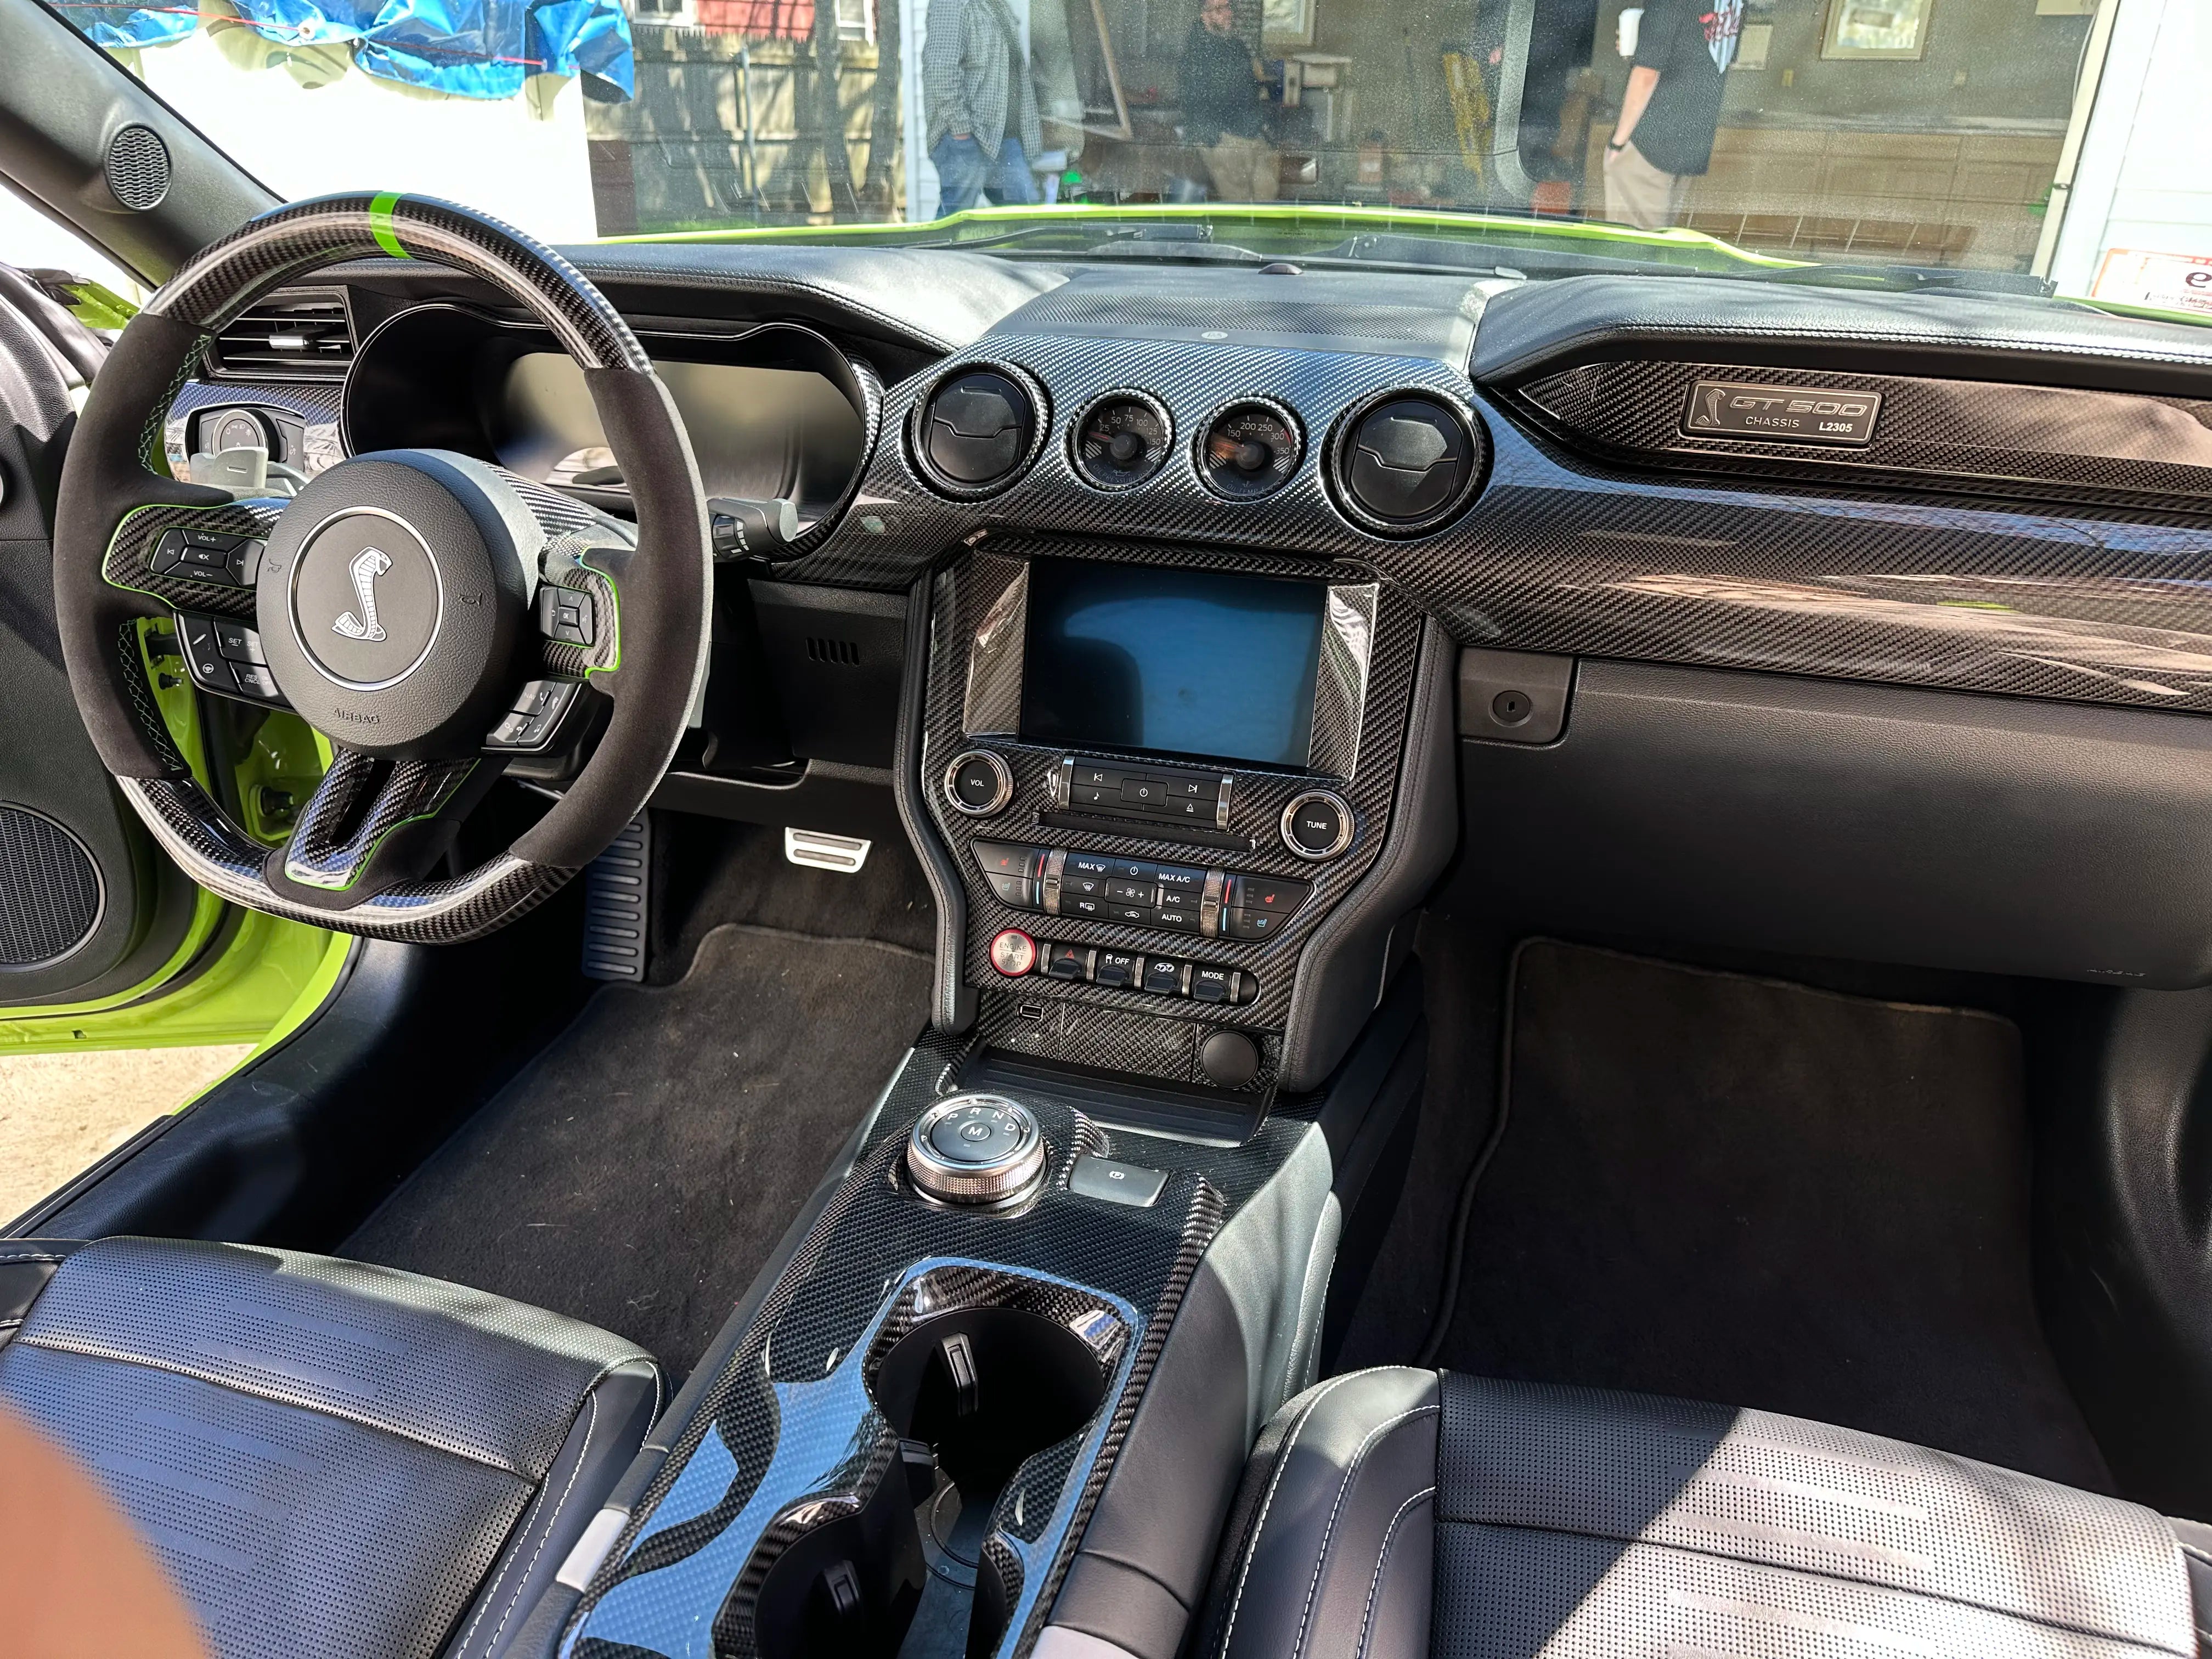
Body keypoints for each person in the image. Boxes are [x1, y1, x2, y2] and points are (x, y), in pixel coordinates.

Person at [1602, 0, 1742, 229]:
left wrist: (1618, 143)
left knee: (1634, 252)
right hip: (1692, 141)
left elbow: (1647, 73)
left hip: (1650, 143)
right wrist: (1643, 43)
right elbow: (1705, 54)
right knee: (1662, 242)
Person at [924, 0, 1043, 213]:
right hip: (969, 138)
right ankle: (937, 250)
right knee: (955, 222)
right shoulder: (951, 4)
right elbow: (940, 71)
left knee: (1027, 219)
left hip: (1003, 139)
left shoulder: (997, 5)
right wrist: (961, 131)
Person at [1183, 0, 1277, 203]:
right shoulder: (1198, 49)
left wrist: (1260, 127)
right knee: (1240, 210)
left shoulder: (1235, 46)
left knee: (1267, 200)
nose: (1227, 14)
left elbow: (1248, 90)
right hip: (1223, 138)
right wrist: (1214, 140)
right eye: (1219, 9)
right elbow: (1196, 98)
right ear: (1204, 15)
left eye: (1228, 7)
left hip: (1250, 134)